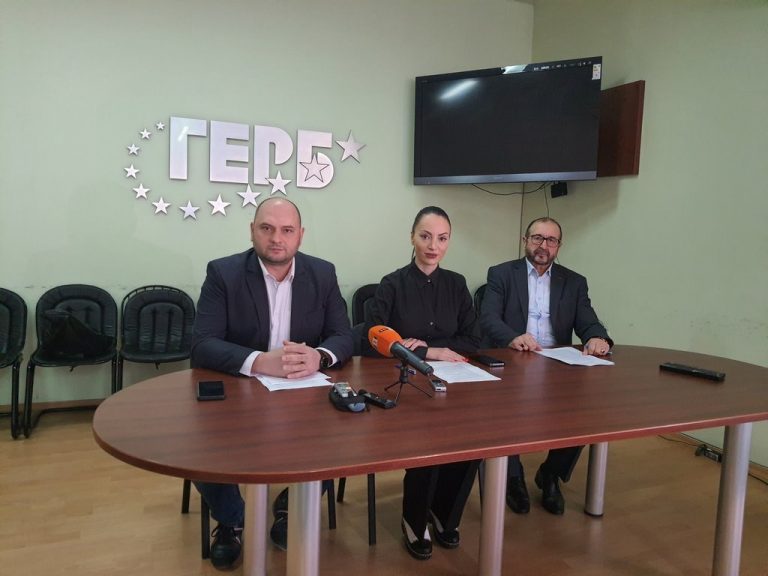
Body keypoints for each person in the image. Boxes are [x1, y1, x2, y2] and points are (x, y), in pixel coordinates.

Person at [191, 197, 353, 570]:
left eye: (287, 230)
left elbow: (344, 335)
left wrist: (319, 356)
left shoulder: (323, 273)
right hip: (240, 390)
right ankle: (232, 519)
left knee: (342, 437)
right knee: (200, 444)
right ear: (252, 230)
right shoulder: (223, 273)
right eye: (267, 228)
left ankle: (289, 509)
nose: (277, 238)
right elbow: (202, 343)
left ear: (300, 235)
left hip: (301, 391)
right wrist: (261, 361)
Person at [366, 206, 481, 561]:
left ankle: (445, 515)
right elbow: (375, 338)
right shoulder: (392, 284)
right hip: (407, 382)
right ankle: (414, 520)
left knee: (473, 439)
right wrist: (428, 352)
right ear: (412, 237)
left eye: (442, 239)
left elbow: (473, 339)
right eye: (426, 236)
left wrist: (430, 347)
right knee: (426, 438)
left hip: (454, 379)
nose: (433, 246)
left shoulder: (457, 284)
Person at [480, 216, 612, 516]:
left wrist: (597, 338)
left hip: (556, 363)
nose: (543, 245)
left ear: (558, 246)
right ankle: (513, 477)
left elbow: (588, 321)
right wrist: (513, 337)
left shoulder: (574, 282)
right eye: (537, 238)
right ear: (525, 241)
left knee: (584, 411)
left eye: (551, 240)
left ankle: (551, 474)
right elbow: (488, 318)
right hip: (513, 360)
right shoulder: (501, 274)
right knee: (504, 407)